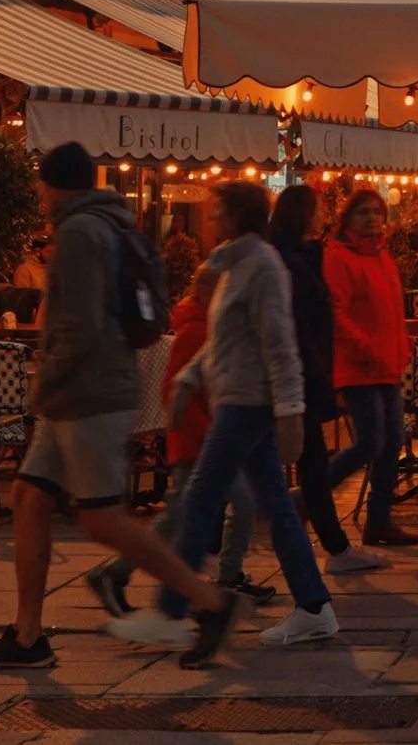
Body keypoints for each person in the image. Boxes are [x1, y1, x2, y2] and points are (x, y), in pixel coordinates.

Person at [0, 143, 240, 671]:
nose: (39, 193)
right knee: (27, 498)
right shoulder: (98, 225)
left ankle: (211, 602)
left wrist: (48, 381)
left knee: (103, 518)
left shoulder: (82, 233)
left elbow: (82, 324)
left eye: (42, 183)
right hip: (75, 392)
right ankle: (27, 635)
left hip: (87, 393)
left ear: (57, 185)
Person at [123, 181, 338, 651]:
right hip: (239, 397)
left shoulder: (262, 267)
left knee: (201, 496)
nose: (210, 219)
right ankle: (315, 607)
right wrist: (188, 378)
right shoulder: (233, 265)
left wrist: (291, 411)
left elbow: (279, 343)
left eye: (218, 212)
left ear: (238, 217)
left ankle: (172, 611)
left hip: (249, 400)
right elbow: (226, 339)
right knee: (277, 507)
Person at [85, 250, 267, 619]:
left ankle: (224, 576)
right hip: (197, 443)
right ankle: (119, 574)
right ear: (203, 290)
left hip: (211, 440)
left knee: (211, 511)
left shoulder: (211, 327)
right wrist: (208, 433)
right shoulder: (195, 331)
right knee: (187, 516)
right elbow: (173, 389)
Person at [275, 184, 385, 575]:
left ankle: (332, 550)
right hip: (291, 377)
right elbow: (305, 324)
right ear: (304, 215)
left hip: (303, 375)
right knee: (241, 476)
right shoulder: (288, 261)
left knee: (312, 464)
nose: (322, 215)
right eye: (318, 209)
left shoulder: (306, 256)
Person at [319, 188, 418, 552]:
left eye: (377, 212)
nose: (372, 218)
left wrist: (402, 344)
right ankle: (310, 494)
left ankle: (378, 521)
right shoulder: (339, 259)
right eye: (363, 212)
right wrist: (366, 349)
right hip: (359, 368)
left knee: (393, 442)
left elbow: (390, 308)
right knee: (371, 442)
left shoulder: (381, 255)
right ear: (348, 218)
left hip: (387, 366)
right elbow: (336, 313)